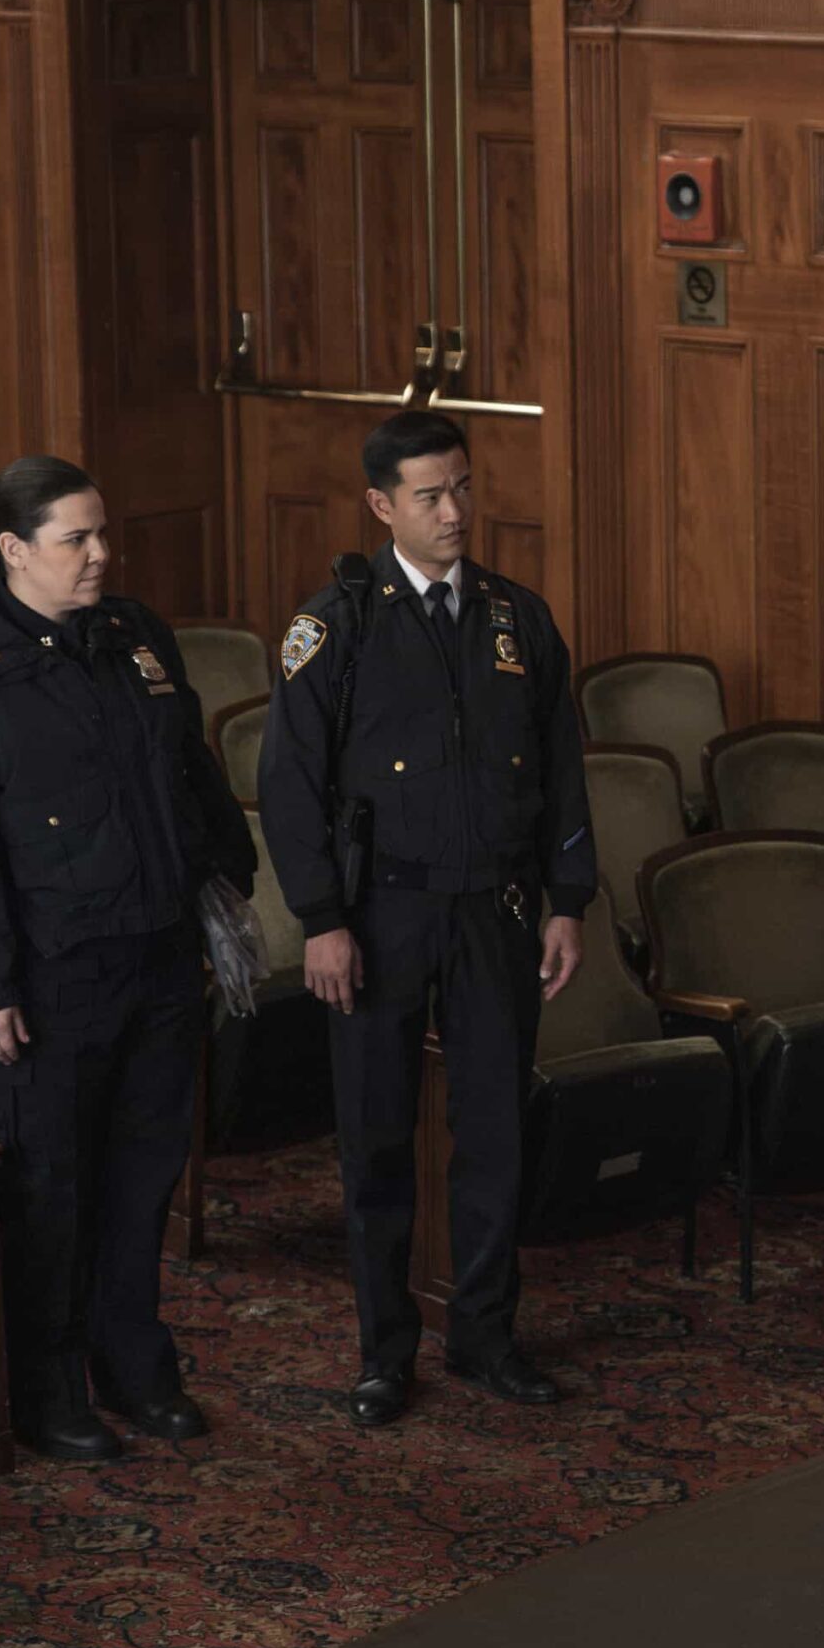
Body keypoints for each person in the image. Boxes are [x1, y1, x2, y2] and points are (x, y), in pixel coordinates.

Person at [0, 455, 255, 1462]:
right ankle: (47, 1389)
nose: (101, 555)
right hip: (45, 981)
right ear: (12, 550)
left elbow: (189, 771)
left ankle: (135, 1366)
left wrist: (225, 874)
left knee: (144, 1179)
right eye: (75, 540)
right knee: (49, 1193)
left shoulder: (132, 637)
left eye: (103, 535)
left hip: (153, 955)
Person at [258, 410, 594, 1427]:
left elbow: (565, 771)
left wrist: (567, 901)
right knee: (378, 1140)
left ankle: (486, 1335)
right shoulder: (337, 625)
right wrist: (320, 918)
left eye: (460, 488)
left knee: (495, 1130)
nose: (453, 511)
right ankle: (383, 1352)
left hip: (493, 909)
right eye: (428, 496)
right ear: (381, 506)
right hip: (379, 915)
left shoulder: (515, 618)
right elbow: (288, 785)